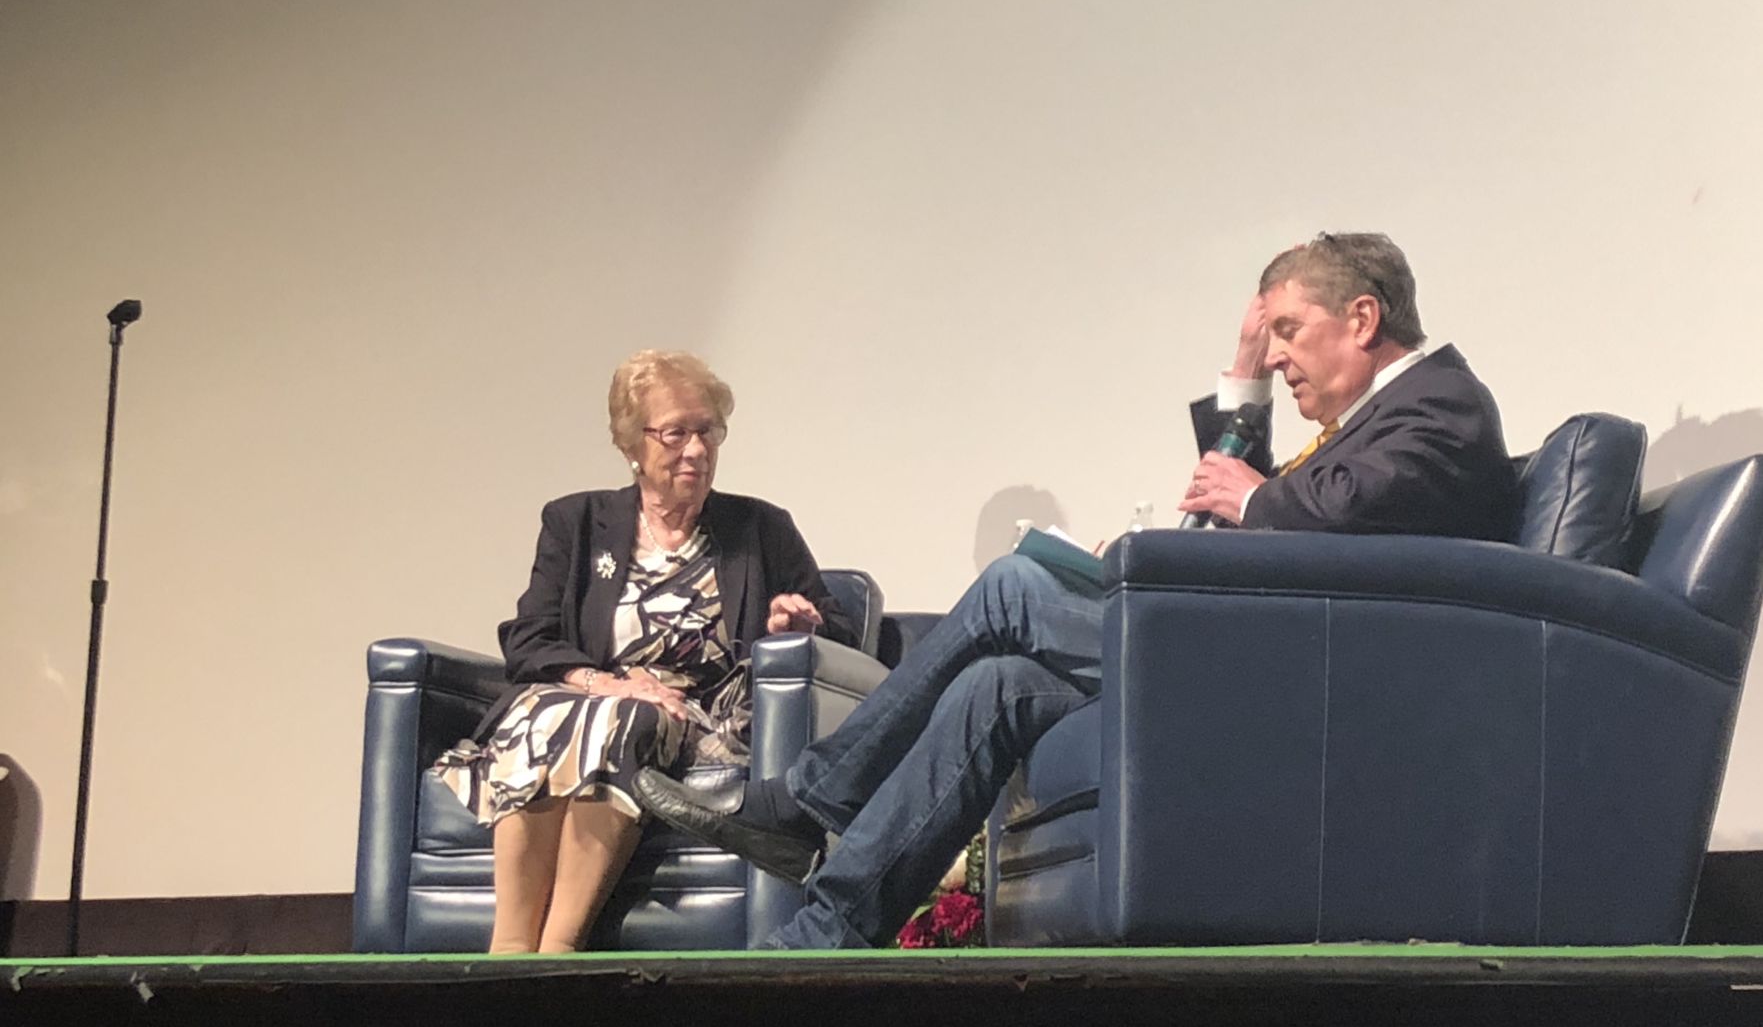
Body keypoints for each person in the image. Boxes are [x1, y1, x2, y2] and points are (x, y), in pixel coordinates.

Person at [634, 232, 1521, 949]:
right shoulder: (1377, 419)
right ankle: (829, 927)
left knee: (1013, 586)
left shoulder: (1439, 404)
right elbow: (1290, 526)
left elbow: (1316, 516)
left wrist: (1250, 497)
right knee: (995, 686)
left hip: (1311, 677)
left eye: (1289, 329)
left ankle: (805, 799)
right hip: (1268, 650)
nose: (1281, 353)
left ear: (1361, 317)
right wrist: (1242, 375)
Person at [434, 349, 855, 954]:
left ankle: (558, 951)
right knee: (552, 713)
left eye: (707, 431)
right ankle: (510, 950)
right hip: (587, 696)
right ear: (633, 444)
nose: (696, 450)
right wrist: (607, 683)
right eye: (676, 433)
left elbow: (840, 633)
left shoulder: (760, 528)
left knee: (626, 719)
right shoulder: (577, 522)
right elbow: (528, 639)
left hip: (693, 715)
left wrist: (798, 623)